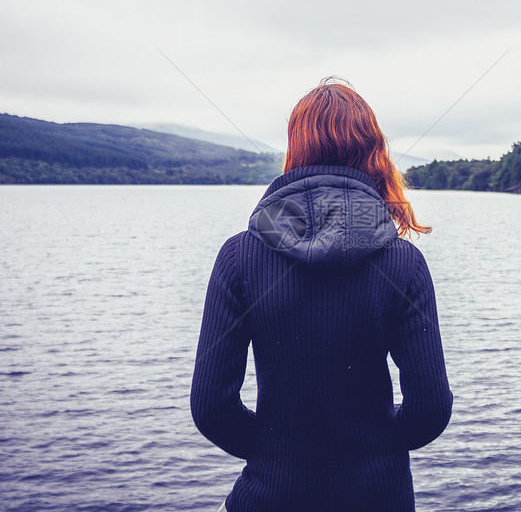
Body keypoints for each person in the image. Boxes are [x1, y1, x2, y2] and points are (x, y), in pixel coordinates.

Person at [190, 78, 453, 511]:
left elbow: (210, 407)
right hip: (379, 497)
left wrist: (275, 451)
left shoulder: (239, 256)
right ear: (372, 153)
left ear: (295, 150)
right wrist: (377, 448)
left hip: (272, 495)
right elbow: (430, 408)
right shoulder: (404, 263)